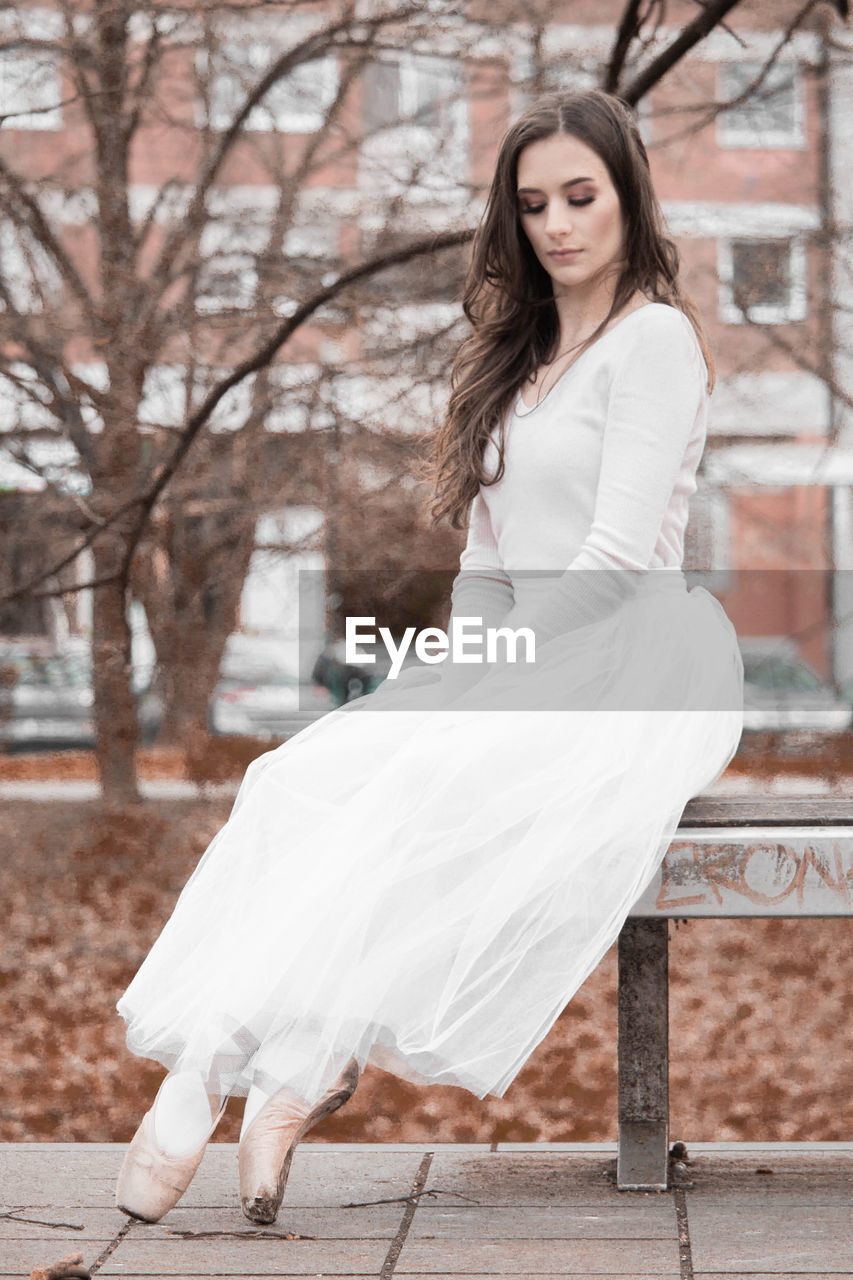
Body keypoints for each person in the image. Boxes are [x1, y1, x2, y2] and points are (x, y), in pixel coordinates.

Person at [114, 88, 743, 1226]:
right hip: (526, 651)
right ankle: (252, 1076)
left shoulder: (653, 339)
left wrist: (488, 667)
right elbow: (487, 566)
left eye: (580, 196)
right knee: (301, 777)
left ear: (627, 196)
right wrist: (460, 658)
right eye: (534, 202)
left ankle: (239, 1075)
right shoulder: (516, 358)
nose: (556, 224)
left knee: (425, 785)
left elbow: (606, 561)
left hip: (634, 657)